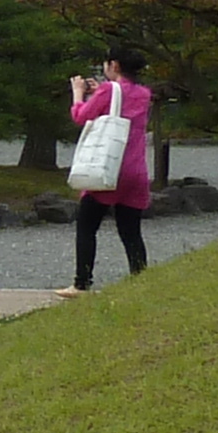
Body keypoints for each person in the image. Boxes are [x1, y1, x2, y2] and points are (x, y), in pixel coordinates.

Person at [63, 46, 156, 294]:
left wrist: (78, 94)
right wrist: (101, 93)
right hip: (136, 170)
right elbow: (122, 104)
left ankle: (82, 282)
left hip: (108, 169)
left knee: (86, 226)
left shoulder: (107, 90)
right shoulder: (144, 94)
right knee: (130, 231)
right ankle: (141, 278)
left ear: (114, 65)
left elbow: (80, 116)